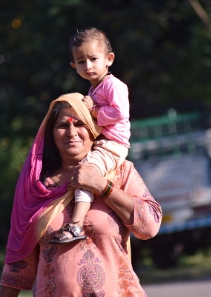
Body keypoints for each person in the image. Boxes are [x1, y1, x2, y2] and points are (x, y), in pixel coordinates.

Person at [0, 93, 162, 296]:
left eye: (79, 124)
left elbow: (150, 226)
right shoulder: (37, 187)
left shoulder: (119, 172)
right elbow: (19, 257)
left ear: (94, 128)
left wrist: (102, 186)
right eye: (62, 126)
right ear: (51, 134)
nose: (71, 132)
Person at [49, 27, 131, 244]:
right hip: (103, 143)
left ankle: (76, 225)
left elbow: (120, 112)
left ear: (109, 59)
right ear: (74, 66)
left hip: (113, 144)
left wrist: (94, 111)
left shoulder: (113, 85)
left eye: (94, 59)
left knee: (86, 173)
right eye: (81, 61)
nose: (88, 66)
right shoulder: (95, 89)